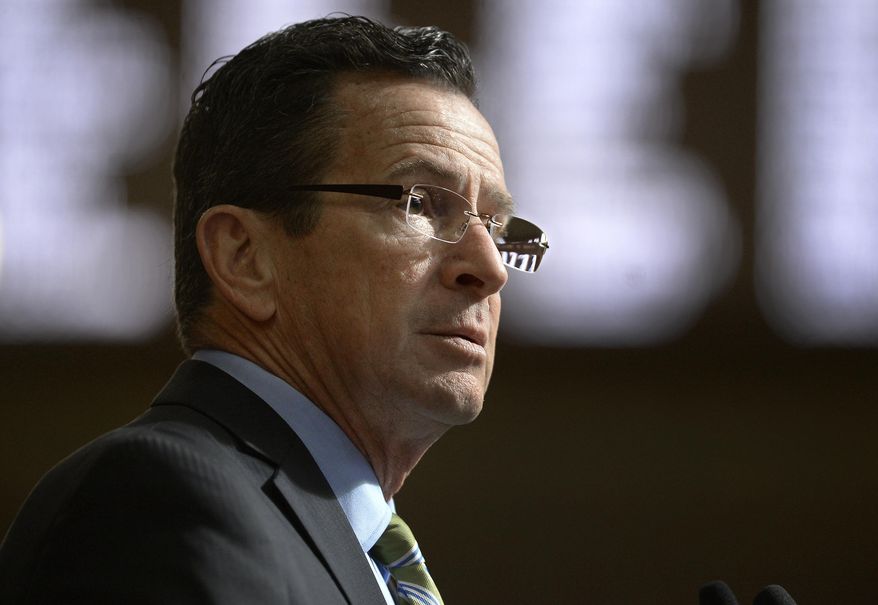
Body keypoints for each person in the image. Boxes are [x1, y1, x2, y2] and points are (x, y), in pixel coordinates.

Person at [0, 15, 548, 604]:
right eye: (421, 204)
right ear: (244, 257)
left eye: (495, 227)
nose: (489, 269)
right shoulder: (161, 499)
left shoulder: (344, 544)